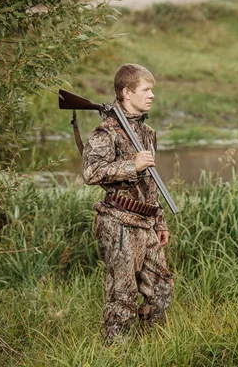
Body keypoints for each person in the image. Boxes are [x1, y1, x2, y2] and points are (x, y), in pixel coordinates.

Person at [82, 63, 173, 342]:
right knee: (122, 297)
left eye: (152, 90)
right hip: (118, 221)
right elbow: (91, 173)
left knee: (161, 290)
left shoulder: (148, 133)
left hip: (146, 221)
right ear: (126, 92)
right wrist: (131, 165)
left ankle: (149, 348)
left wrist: (158, 221)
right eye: (146, 90)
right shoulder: (106, 132)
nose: (152, 96)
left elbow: (151, 184)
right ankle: (115, 352)